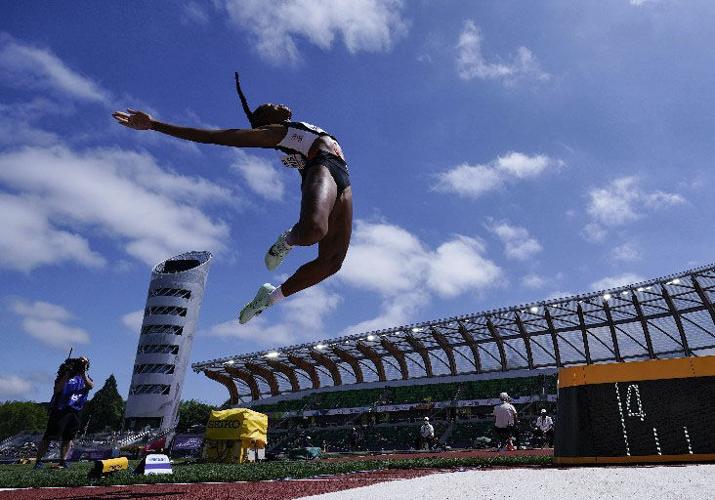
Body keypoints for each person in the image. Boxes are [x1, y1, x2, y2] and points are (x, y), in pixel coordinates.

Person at [113, 92, 352, 325]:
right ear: (265, 122)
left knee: (331, 263)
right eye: (269, 105)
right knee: (312, 231)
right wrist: (155, 125)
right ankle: (286, 241)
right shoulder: (276, 133)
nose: (277, 102)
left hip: (343, 179)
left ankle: (268, 299)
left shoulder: (298, 130)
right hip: (323, 169)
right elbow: (215, 136)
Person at [34, 357, 94, 469]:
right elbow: (57, 390)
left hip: (76, 410)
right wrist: (67, 373)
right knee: (49, 436)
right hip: (61, 409)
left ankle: (63, 460)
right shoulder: (63, 377)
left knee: (68, 437)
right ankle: (39, 461)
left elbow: (90, 386)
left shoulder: (85, 377)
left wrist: (83, 372)